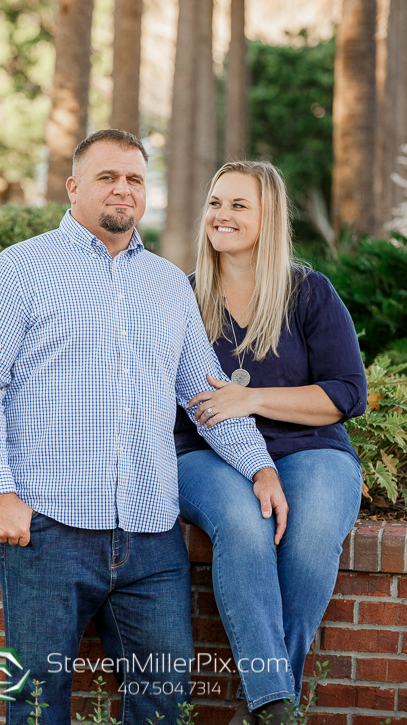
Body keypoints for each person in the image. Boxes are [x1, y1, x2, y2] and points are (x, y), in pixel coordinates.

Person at [0, 131, 287, 725]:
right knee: (36, 703)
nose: (123, 190)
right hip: (48, 530)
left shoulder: (166, 285)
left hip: (150, 538)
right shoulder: (18, 270)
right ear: (74, 187)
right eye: (108, 177)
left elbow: (204, 392)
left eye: (134, 178)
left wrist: (257, 465)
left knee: (164, 699)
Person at [174, 160, 367, 725]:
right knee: (243, 523)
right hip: (205, 452)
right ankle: (276, 705)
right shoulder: (181, 298)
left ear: (269, 217)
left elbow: (347, 393)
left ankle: (263, 703)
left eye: (239, 205)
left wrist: (253, 400)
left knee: (308, 540)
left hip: (311, 449)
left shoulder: (308, 292)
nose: (221, 215)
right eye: (215, 203)